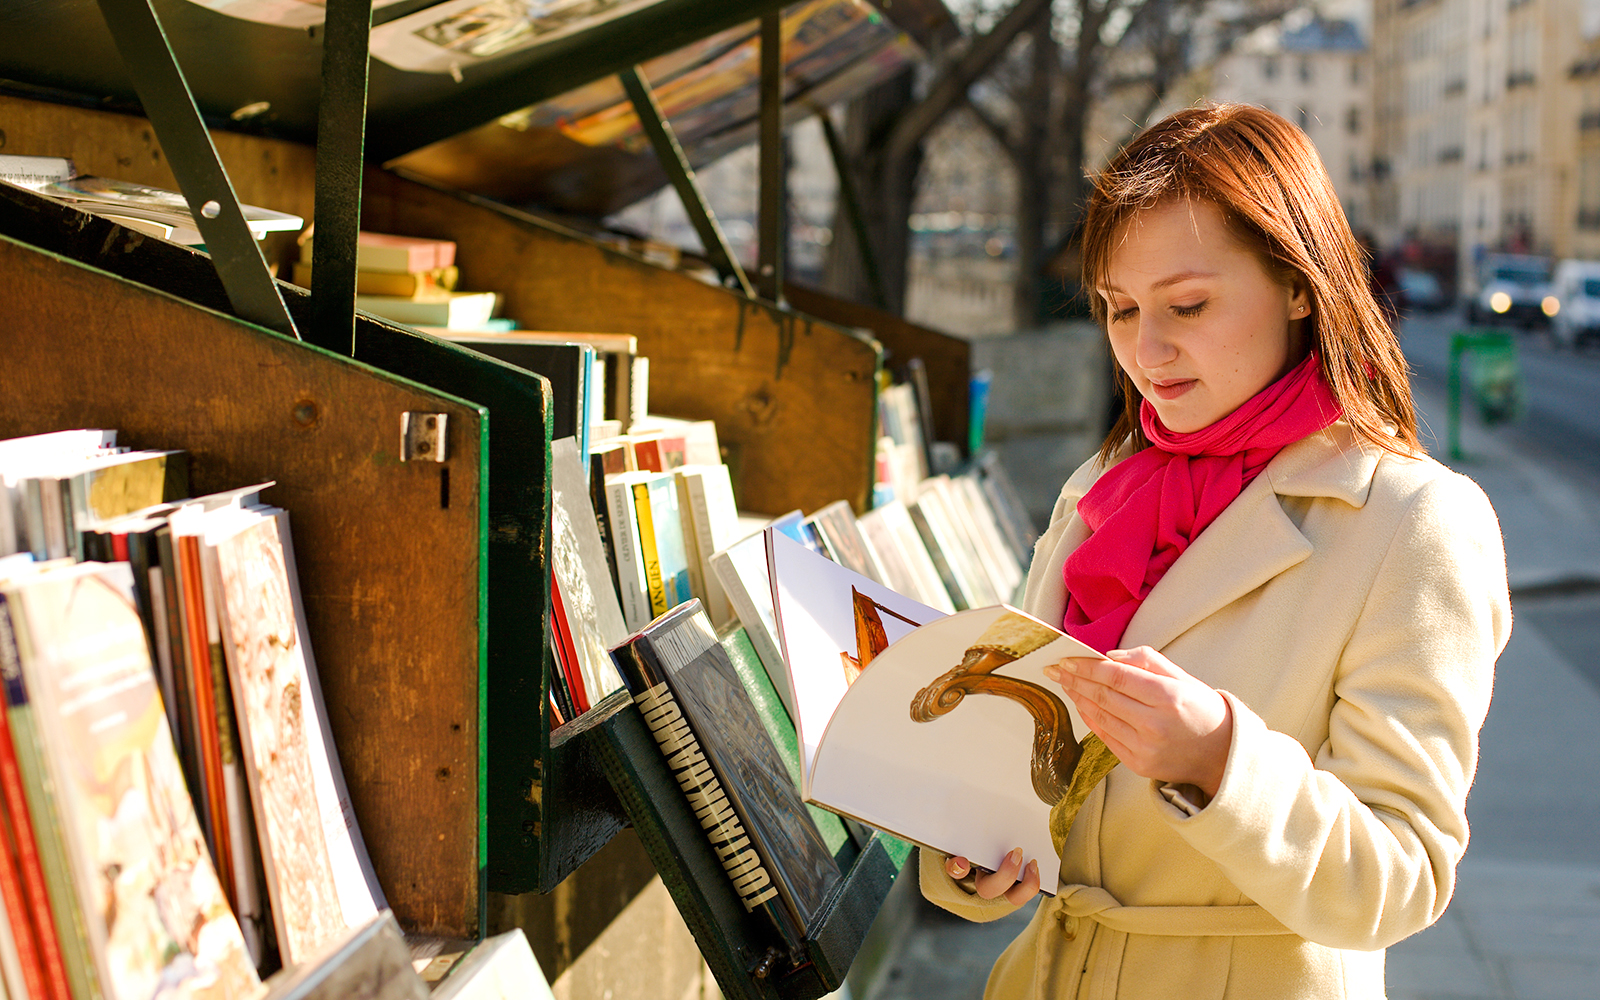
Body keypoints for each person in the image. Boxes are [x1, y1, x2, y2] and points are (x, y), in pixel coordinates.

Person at [920, 104, 1512, 998]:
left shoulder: (1416, 519)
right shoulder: (1105, 483)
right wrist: (971, 861)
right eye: (1118, 309)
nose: (1146, 351)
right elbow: (1025, 771)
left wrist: (1219, 759)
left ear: (1298, 284)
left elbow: (1404, 876)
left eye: (1187, 305)